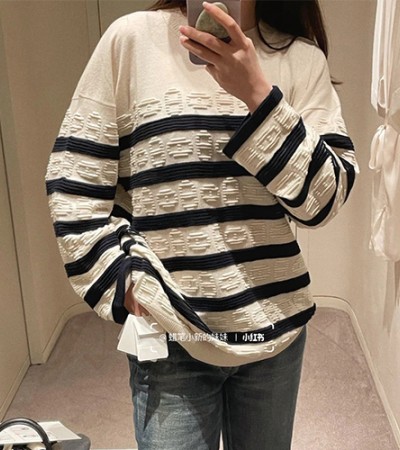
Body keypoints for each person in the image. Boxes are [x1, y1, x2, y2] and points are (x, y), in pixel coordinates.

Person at [45, 0, 359, 448]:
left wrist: (257, 95)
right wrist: (126, 282)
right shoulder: (131, 41)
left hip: (274, 332)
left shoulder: (300, 58)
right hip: (172, 332)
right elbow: (75, 180)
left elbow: (323, 201)